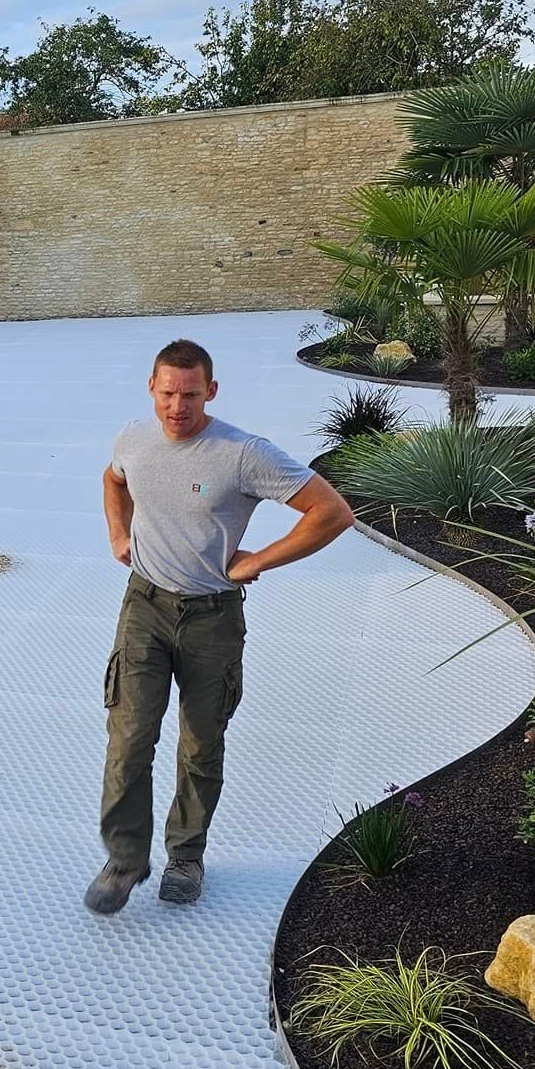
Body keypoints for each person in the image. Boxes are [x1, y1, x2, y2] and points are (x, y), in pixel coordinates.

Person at [85, 338, 354, 915]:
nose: (176, 407)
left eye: (189, 394)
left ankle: (186, 853)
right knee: (129, 738)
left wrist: (258, 560)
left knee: (201, 743)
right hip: (145, 607)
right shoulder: (133, 439)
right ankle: (124, 860)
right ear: (151, 390)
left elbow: (332, 513)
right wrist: (118, 535)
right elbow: (114, 481)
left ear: (210, 391)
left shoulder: (242, 454)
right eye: (166, 394)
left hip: (212, 616)